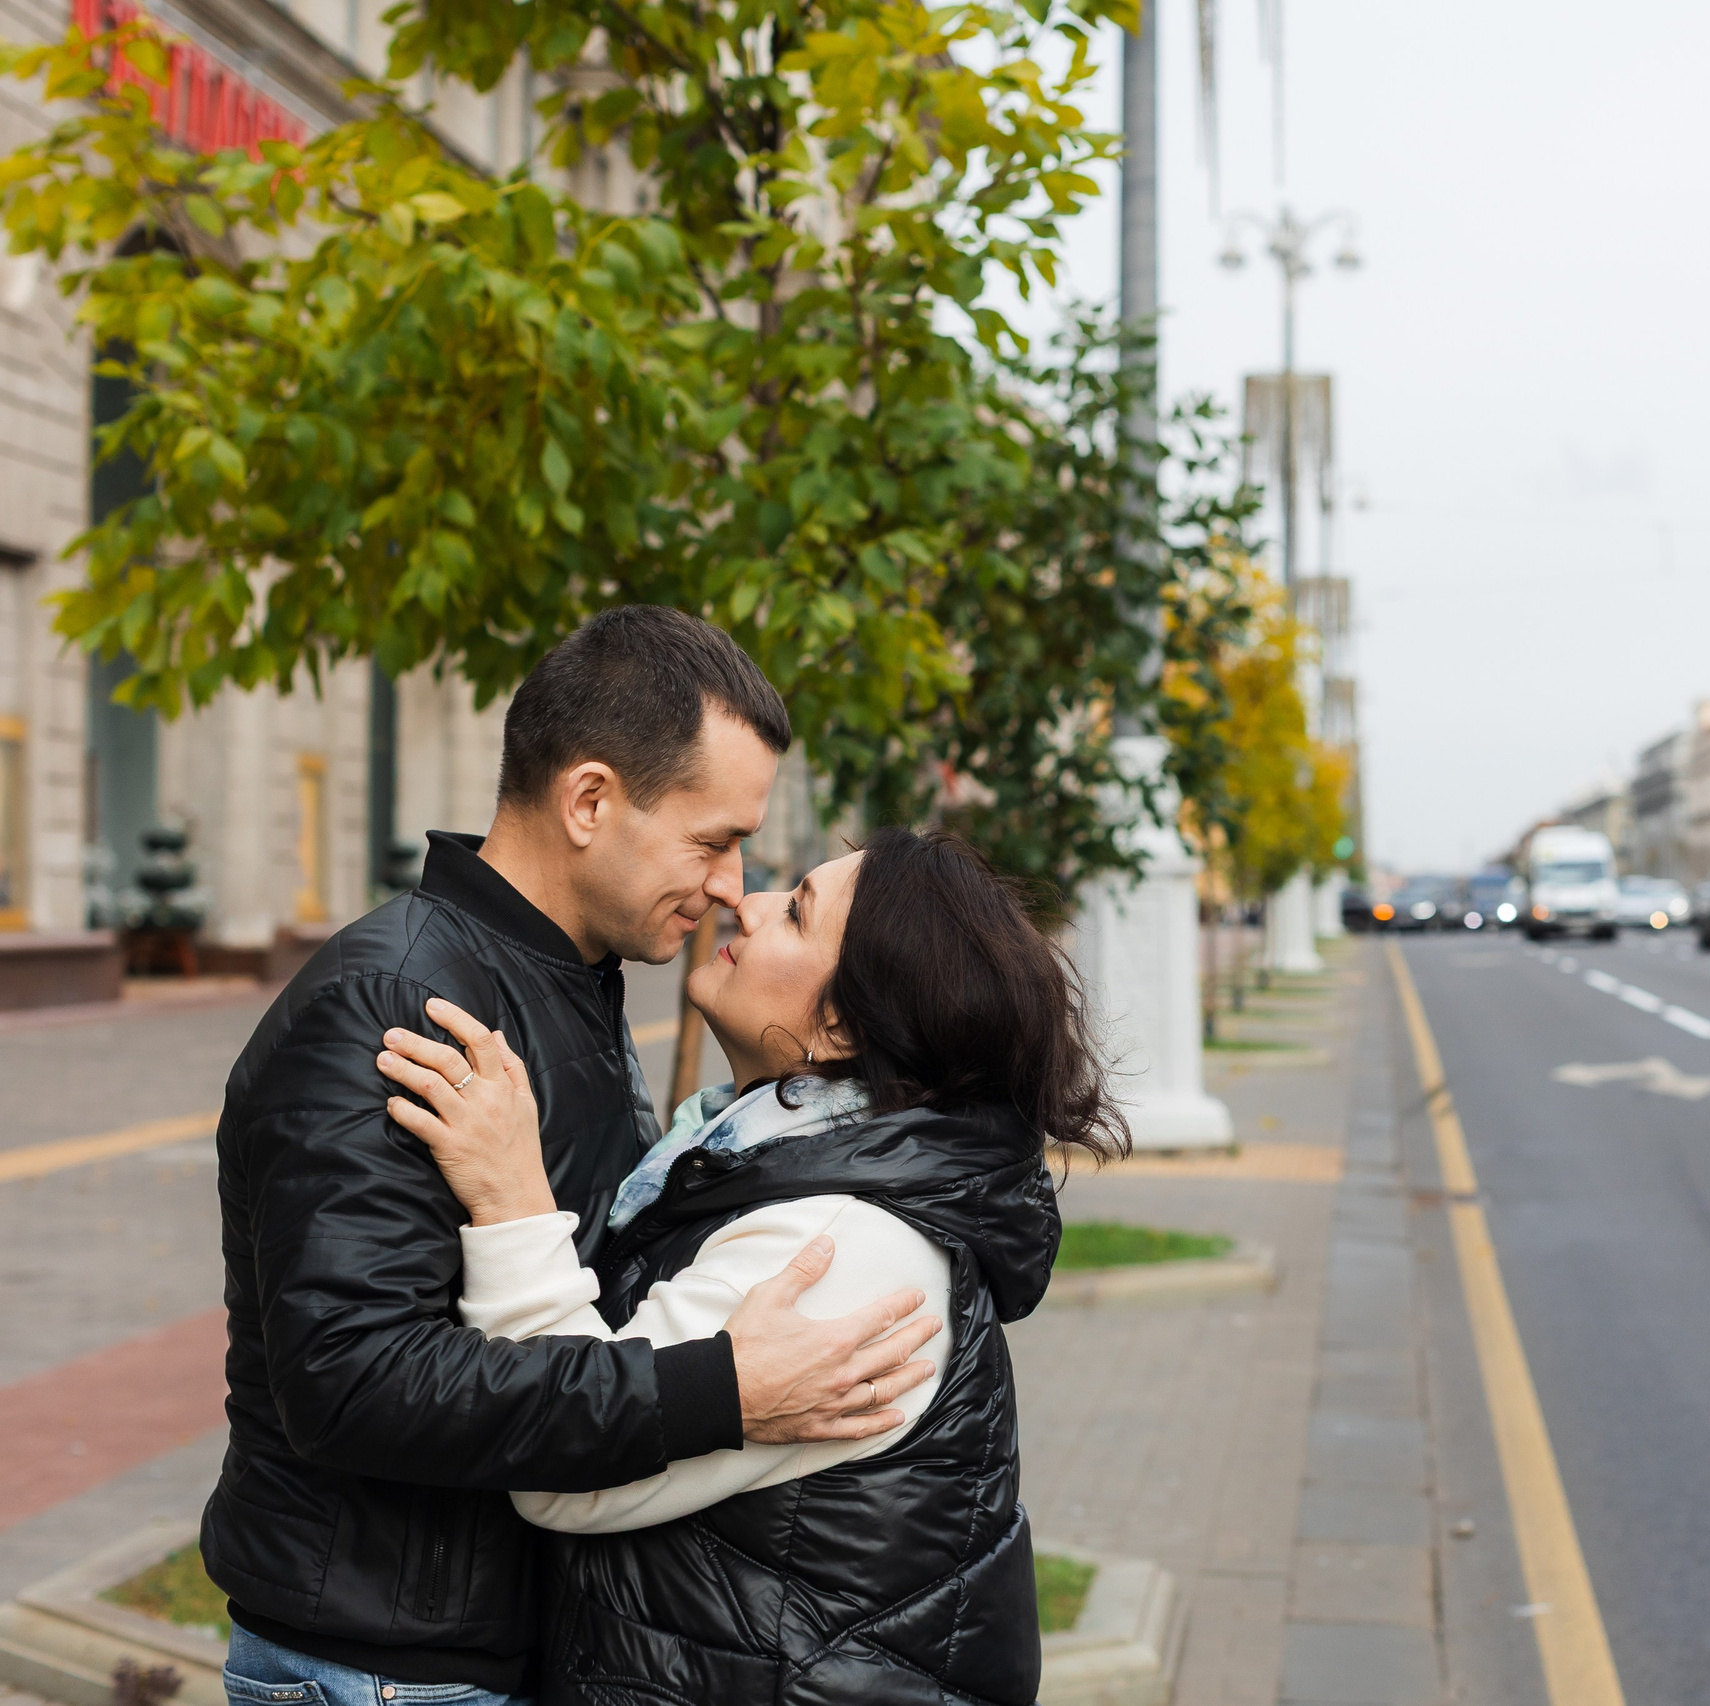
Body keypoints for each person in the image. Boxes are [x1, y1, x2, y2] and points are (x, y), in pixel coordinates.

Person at [207, 608, 938, 1706]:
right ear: (590, 800)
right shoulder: (401, 1002)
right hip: (383, 1669)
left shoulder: (565, 980)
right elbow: (352, 1380)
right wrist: (720, 1388)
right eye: (712, 840)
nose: (733, 883)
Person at [374, 825, 1127, 1704]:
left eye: (797, 912)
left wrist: (512, 1196)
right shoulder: (779, 1169)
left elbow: (562, 1471)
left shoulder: (839, 1252)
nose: (748, 900)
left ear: (841, 1023)